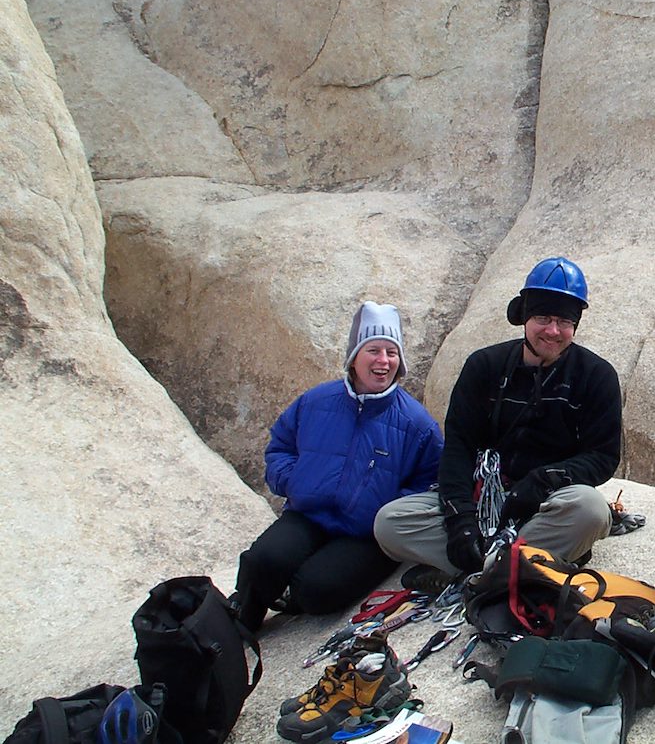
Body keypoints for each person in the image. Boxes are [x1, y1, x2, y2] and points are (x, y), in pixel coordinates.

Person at [374, 257, 621, 589]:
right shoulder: (484, 366)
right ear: (523, 317)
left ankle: (479, 569)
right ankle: (521, 565)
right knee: (389, 524)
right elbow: (459, 448)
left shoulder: (596, 375)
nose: (553, 330)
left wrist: (544, 479)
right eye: (543, 317)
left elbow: (603, 456)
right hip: (485, 497)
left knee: (591, 511)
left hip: (548, 501)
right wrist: (460, 519)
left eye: (564, 321)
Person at [232, 301, 443, 632]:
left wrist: (388, 512)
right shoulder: (316, 401)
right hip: (308, 515)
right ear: (354, 356)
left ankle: (292, 596)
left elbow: (429, 480)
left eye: (392, 352)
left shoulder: (417, 424)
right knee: (263, 561)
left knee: (318, 591)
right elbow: (280, 447)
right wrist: (294, 482)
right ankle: (236, 626)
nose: (383, 361)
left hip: (364, 535)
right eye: (373, 349)